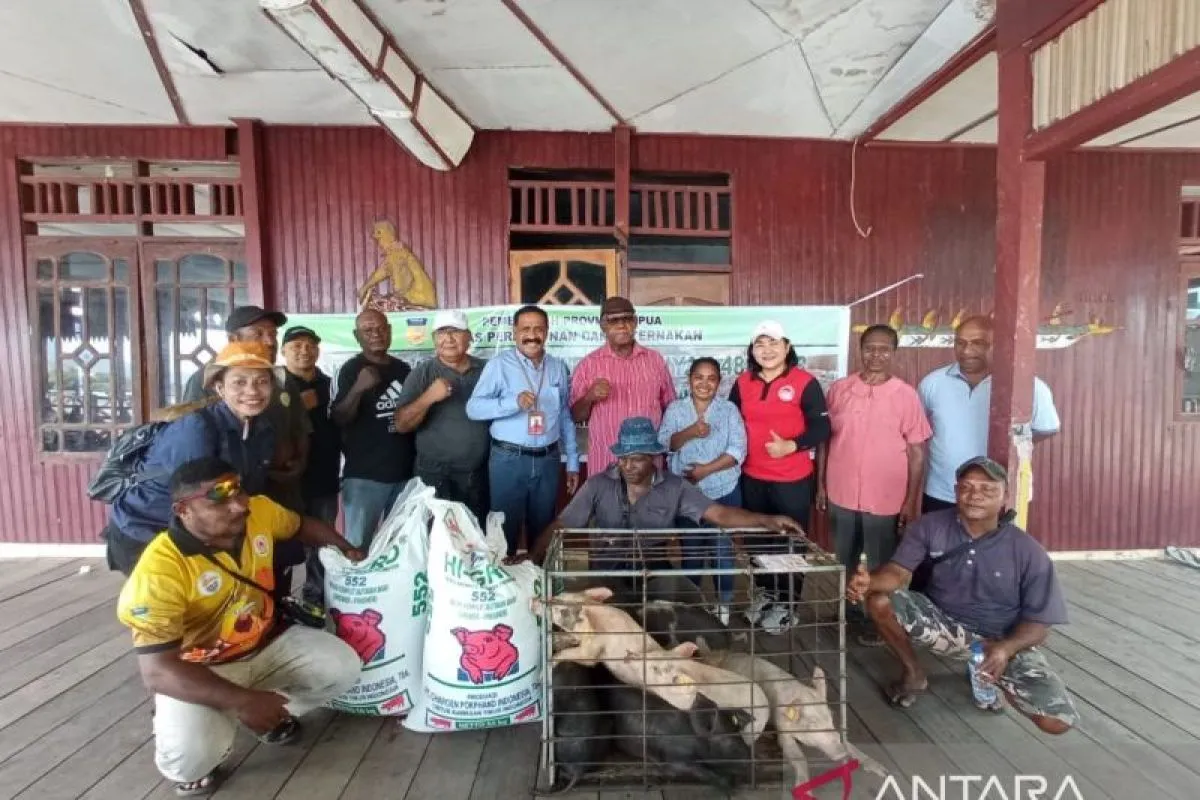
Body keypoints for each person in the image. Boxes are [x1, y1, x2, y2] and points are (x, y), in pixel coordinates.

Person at [117, 457, 364, 796]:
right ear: (183, 510)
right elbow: (157, 671)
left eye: (238, 490)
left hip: (265, 644)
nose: (238, 505)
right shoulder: (158, 574)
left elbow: (301, 525)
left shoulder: (259, 510)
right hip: (201, 669)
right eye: (217, 498)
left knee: (343, 667)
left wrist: (347, 549)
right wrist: (243, 702)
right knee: (190, 761)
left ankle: (263, 713)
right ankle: (206, 714)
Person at [847, 456, 1078, 734]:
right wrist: (870, 582)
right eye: (966, 487)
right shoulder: (930, 526)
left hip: (1000, 641)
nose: (975, 495)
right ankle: (914, 673)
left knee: (1056, 722)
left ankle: (994, 679)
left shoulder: (1028, 550)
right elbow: (897, 573)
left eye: (987, 489)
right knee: (879, 600)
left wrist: (1007, 649)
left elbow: (1040, 624)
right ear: (956, 492)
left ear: (1005, 496)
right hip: (943, 624)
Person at [525, 417, 801, 572]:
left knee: (686, 613)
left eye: (636, 459)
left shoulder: (674, 486)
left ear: (653, 458)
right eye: (623, 458)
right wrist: (532, 560)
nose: (627, 466)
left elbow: (719, 514)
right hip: (606, 572)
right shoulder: (597, 484)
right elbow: (562, 525)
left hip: (655, 571)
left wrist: (766, 520)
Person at [106, 341, 280, 577]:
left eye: (262, 381)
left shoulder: (262, 428)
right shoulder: (197, 429)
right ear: (220, 388)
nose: (252, 391)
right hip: (148, 530)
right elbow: (196, 501)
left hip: (204, 529)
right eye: (239, 382)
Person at [817, 324, 931, 644]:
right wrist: (821, 485)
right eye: (869, 348)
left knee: (881, 562)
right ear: (860, 350)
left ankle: (878, 619)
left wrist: (910, 501)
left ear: (894, 353)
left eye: (884, 349)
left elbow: (917, 453)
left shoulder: (905, 395)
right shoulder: (840, 389)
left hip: (885, 497)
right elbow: (825, 440)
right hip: (841, 491)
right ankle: (850, 614)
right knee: (845, 557)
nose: (876, 355)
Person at [729, 320, 830, 634]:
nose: (767, 350)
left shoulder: (805, 382)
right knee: (758, 542)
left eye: (773, 342)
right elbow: (731, 421)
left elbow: (822, 427)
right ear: (752, 350)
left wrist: (791, 445)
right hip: (752, 477)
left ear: (787, 347)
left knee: (789, 544)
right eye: (760, 344)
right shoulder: (742, 382)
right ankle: (765, 595)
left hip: (792, 480)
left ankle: (788, 606)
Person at [466, 305, 579, 556]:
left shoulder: (557, 367)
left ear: (547, 332)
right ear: (514, 333)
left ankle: (539, 579)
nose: (532, 335)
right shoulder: (499, 365)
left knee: (543, 532)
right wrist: (512, 403)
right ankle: (504, 579)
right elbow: (473, 408)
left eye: (538, 329)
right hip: (509, 460)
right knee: (504, 532)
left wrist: (572, 461)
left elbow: (564, 414)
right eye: (525, 329)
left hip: (548, 460)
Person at [918, 315, 1060, 513]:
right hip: (942, 492)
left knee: (997, 535)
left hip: (998, 495)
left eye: (978, 343)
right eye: (960, 343)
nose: (967, 351)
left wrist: (1010, 443)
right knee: (938, 535)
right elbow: (917, 430)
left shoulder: (1029, 386)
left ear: (997, 345)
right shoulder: (933, 383)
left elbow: (1047, 428)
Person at [180, 305, 311, 514]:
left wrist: (300, 462)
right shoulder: (208, 379)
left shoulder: (282, 377)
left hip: (281, 494)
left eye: (273, 334)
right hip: (231, 498)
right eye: (258, 334)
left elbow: (300, 424)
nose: (270, 341)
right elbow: (196, 456)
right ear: (233, 339)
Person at [657, 358, 747, 621]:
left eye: (711, 378)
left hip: (724, 490)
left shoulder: (728, 410)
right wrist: (690, 432)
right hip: (686, 494)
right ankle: (690, 608)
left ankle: (723, 606)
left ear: (719, 382)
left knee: (723, 551)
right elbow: (664, 444)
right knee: (691, 552)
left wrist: (705, 470)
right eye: (699, 377)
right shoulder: (675, 409)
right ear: (689, 379)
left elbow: (737, 451)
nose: (704, 384)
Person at [394, 309, 490, 523]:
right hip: (434, 475)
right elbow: (401, 424)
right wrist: (429, 397)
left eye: (455, 331)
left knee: (475, 535)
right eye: (442, 332)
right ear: (433, 338)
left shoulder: (487, 370)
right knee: (437, 536)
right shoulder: (422, 373)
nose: (448, 338)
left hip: (478, 475)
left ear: (469, 337)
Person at [331, 309, 415, 549]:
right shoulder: (350, 370)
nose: (376, 334)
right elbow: (339, 418)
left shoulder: (403, 369)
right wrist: (358, 388)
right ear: (357, 336)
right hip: (364, 478)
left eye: (380, 328)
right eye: (368, 330)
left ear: (389, 331)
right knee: (357, 549)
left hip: (404, 474)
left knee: (399, 547)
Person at [570, 296, 676, 475]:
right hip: (606, 462)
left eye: (627, 319)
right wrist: (589, 397)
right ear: (603, 326)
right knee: (606, 495)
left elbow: (671, 409)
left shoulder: (654, 360)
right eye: (614, 320)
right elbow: (574, 415)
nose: (622, 325)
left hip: (647, 462)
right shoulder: (589, 365)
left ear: (635, 322)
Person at [280, 326, 341, 606]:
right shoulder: (276, 385)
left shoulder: (330, 384)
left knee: (322, 542)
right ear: (284, 352)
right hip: (286, 480)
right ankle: (280, 599)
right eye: (296, 346)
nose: (304, 351)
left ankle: (316, 597)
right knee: (285, 539)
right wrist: (295, 407)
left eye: (309, 346)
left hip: (325, 474)